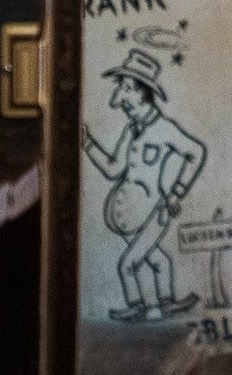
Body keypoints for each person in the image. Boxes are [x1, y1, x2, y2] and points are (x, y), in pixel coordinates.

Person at [83, 47, 207, 322]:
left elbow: (195, 152)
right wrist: (88, 144)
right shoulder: (131, 129)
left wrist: (177, 193)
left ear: (143, 92)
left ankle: (147, 309)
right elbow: (113, 169)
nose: (122, 96)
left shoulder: (164, 128)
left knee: (128, 264)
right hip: (129, 215)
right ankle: (166, 303)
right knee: (158, 260)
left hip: (154, 211)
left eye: (128, 87)